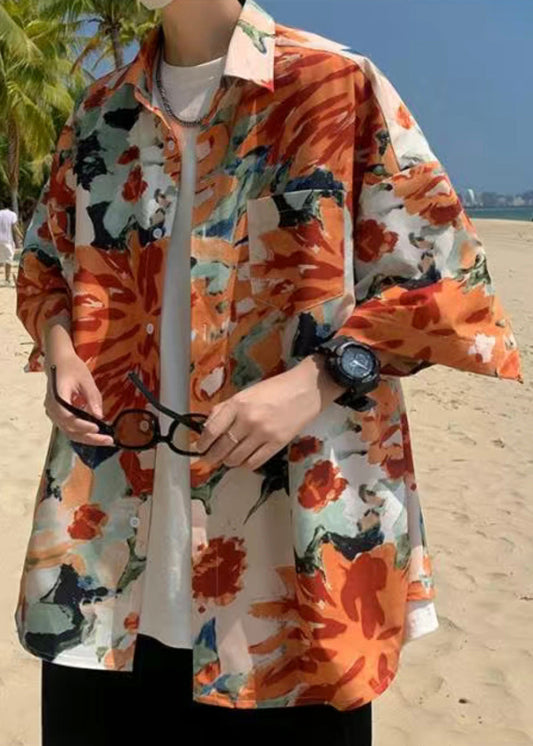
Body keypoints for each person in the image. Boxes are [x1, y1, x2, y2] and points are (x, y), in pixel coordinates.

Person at [14, 1, 523, 745]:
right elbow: (43, 269)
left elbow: (445, 285)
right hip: (106, 561)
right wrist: (62, 352)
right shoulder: (98, 113)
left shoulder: (333, 84)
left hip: (293, 554)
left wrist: (316, 380)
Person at [0, 202, 22, 286]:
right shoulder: (12, 214)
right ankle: (7, 279)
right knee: (8, 260)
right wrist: (21, 236)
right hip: (7, 240)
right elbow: (14, 227)